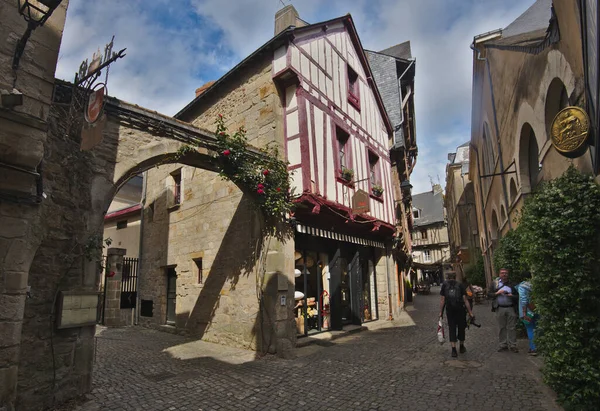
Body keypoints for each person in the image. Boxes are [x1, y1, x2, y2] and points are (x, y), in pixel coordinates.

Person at [439, 271, 474, 357]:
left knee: (452, 328)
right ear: (455, 276)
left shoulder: (444, 285)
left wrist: (440, 312)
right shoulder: (460, 285)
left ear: (448, 277)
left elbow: (442, 300)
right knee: (461, 328)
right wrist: (470, 312)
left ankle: (453, 349)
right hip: (460, 309)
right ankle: (461, 346)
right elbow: (465, 299)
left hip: (450, 310)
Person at [488, 268, 519, 352]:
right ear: (499, 274)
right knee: (502, 327)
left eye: (505, 273)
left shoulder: (512, 284)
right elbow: (489, 294)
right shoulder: (495, 284)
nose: (504, 274)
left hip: (510, 307)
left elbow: (517, 296)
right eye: (502, 273)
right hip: (500, 307)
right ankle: (503, 344)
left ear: (508, 274)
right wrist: (497, 293)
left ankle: (513, 345)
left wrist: (511, 295)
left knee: (512, 327)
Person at [516, 272, 537, 355]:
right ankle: (539, 346)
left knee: (530, 328)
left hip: (528, 312)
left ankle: (533, 348)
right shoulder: (535, 285)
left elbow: (523, 300)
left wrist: (524, 312)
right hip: (536, 309)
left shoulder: (522, 287)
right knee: (536, 328)